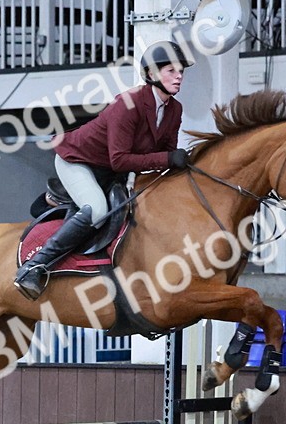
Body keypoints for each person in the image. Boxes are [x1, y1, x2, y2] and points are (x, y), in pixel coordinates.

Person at [13, 40, 194, 300]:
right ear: (152, 74)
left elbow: (160, 156)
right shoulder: (128, 104)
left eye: (181, 72)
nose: (179, 77)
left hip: (111, 171)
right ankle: (34, 266)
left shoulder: (174, 109)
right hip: (78, 160)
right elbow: (121, 159)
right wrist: (168, 159)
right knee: (96, 210)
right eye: (172, 71)